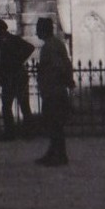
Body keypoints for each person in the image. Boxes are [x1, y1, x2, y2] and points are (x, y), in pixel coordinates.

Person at [35, 16, 74, 166]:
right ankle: (53, 153)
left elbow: (58, 66)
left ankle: (60, 155)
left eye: (38, 29)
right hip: (53, 89)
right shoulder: (55, 44)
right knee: (53, 124)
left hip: (54, 90)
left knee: (54, 124)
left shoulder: (50, 46)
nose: (37, 32)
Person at [0, 18, 36, 139]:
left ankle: (28, 132)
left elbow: (30, 47)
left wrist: (18, 59)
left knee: (23, 105)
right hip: (7, 76)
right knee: (7, 106)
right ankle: (10, 132)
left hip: (17, 75)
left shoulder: (13, 39)